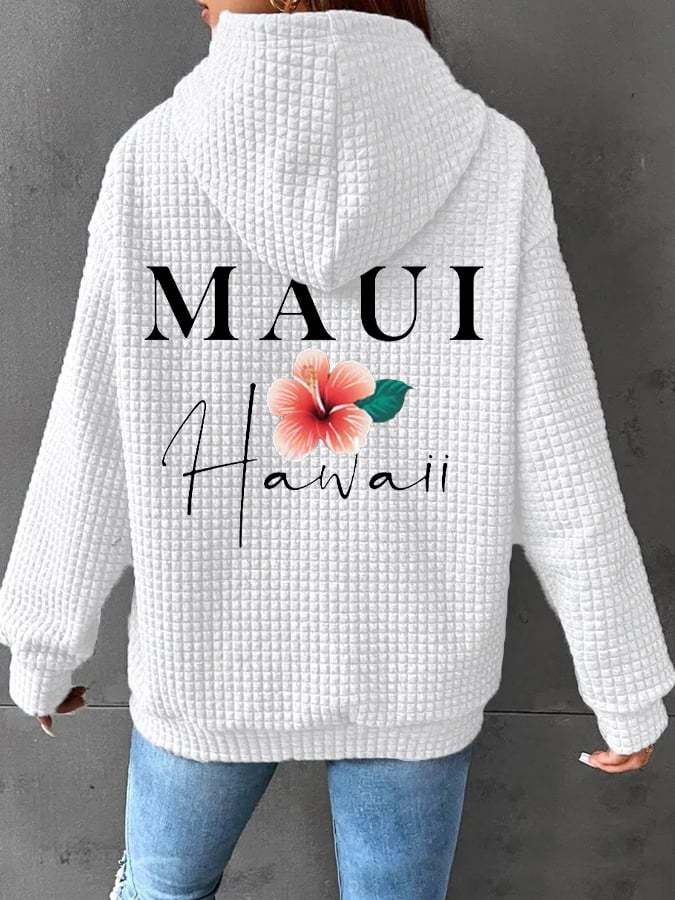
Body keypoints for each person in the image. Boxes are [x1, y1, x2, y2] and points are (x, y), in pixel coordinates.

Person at [1, 1, 673, 898]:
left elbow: (92, 430)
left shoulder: (153, 158)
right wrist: (622, 680)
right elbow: (558, 449)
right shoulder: (493, 162)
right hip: (415, 669)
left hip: (207, 662)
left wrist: (45, 645)